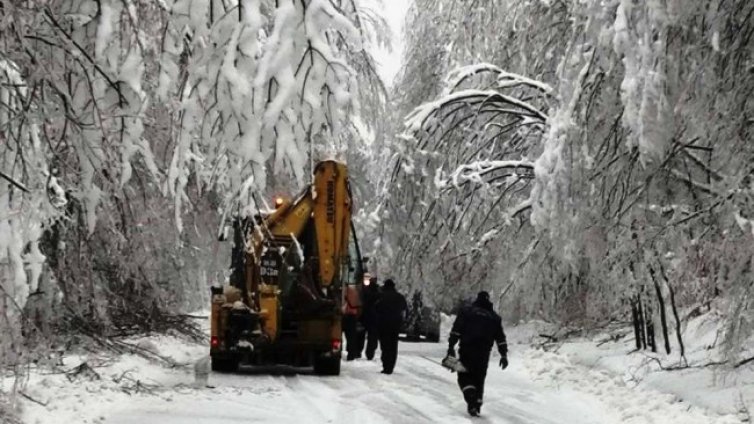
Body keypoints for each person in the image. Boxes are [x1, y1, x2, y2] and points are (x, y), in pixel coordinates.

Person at [447, 291, 508, 417]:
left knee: (463, 374)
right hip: (484, 352)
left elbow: (456, 330)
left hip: (467, 349)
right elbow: (500, 338)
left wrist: (451, 346)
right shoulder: (494, 318)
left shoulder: (467, 312)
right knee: (479, 377)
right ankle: (477, 402)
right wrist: (503, 355)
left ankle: (471, 396)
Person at [374, 278, 407, 374]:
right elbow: (405, 310)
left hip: (383, 325)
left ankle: (386, 366)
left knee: (385, 346)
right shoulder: (400, 297)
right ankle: (391, 365)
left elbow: (376, 308)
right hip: (395, 325)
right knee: (393, 346)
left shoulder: (381, 297)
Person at [360, 277, 381, 360]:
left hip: (364, 316)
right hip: (374, 318)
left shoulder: (364, 291)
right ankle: (370, 353)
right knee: (372, 337)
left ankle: (358, 351)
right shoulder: (378, 293)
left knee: (360, 335)